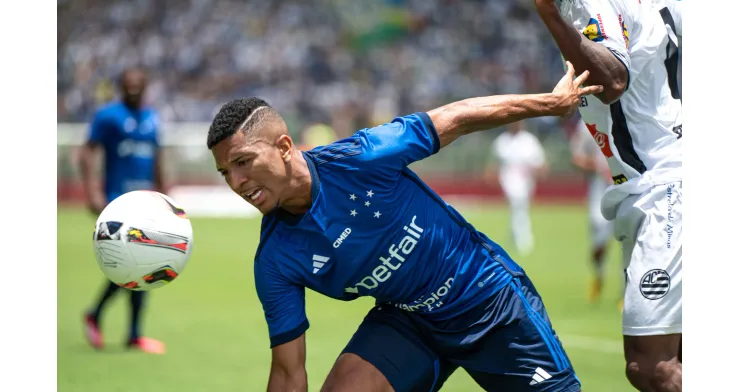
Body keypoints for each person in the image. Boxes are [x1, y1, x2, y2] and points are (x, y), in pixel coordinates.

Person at [207, 62, 602, 391]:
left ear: (284, 147)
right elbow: (288, 372)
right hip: (408, 320)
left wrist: (551, 103)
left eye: (243, 162)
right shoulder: (275, 260)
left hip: (485, 297)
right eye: (225, 171)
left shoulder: (361, 158)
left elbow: (457, 117)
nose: (236, 183)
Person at [525, 0, 683, 390]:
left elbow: (612, 80)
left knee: (654, 367)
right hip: (669, 176)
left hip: (663, 186)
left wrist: (547, 9)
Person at [80, 67, 167, 354]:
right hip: (117, 201)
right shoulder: (108, 116)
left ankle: (128, 332)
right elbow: (87, 151)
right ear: (120, 86)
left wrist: (164, 195)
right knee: (134, 261)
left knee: (144, 262)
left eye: (138, 84)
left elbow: (157, 157)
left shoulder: (153, 118)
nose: (133, 88)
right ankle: (112, 323)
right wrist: (93, 192)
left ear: (145, 86)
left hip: (145, 201)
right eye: (128, 84)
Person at [569, 120, 614, 304]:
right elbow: (577, 157)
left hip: (629, 182)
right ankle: (598, 275)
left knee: (628, 237)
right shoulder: (587, 121)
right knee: (598, 232)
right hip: (599, 186)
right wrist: (598, 166)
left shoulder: (632, 108)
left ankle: (626, 291)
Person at [489, 121, 548, 255]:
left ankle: (513, 235)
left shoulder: (529, 141)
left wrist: (540, 171)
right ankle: (524, 239)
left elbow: (539, 162)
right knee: (517, 204)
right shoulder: (502, 141)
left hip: (526, 181)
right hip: (508, 180)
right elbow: (494, 162)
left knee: (520, 207)